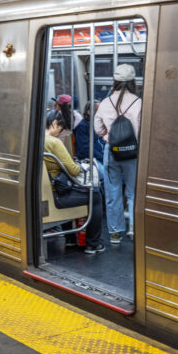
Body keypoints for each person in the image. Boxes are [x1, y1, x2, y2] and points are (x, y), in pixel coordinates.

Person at [44, 109, 105, 254]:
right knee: (95, 196)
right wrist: (76, 164)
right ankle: (93, 244)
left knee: (67, 188)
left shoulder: (36, 140)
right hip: (57, 196)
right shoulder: (54, 142)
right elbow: (73, 170)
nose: (60, 132)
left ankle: (71, 239)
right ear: (54, 124)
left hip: (49, 193)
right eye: (60, 128)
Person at [94, 64, 141, 243]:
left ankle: (115, 233)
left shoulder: (105, 103)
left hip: (111, 151)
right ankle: (133, 228)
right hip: (133, 153)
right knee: (132, 191)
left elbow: (98, 129)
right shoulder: (138, 102)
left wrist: (109, 134)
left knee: (112, 191)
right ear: (132, 82)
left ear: (115, 81)